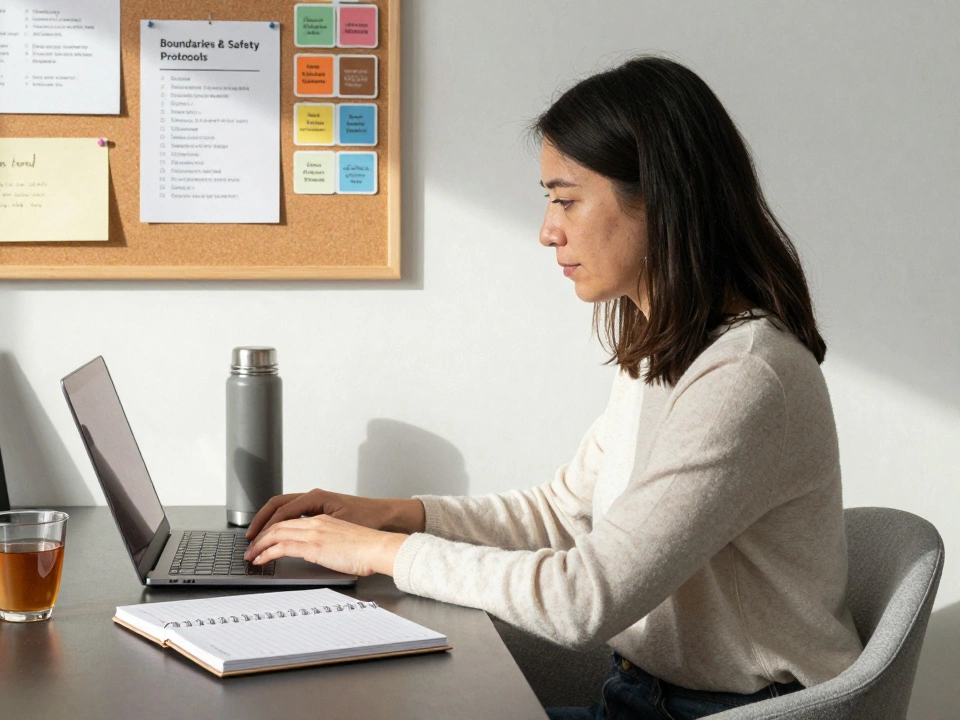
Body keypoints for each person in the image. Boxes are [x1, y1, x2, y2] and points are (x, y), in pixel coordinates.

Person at [241, 56, 862, 719]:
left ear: (660, 198)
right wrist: (395, 514)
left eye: (565, 198)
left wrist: (380, 552)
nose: (547, 231)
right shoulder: (665, 349)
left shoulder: (745, 376)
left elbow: (581, 600)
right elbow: (567, 514)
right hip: (642, 698)